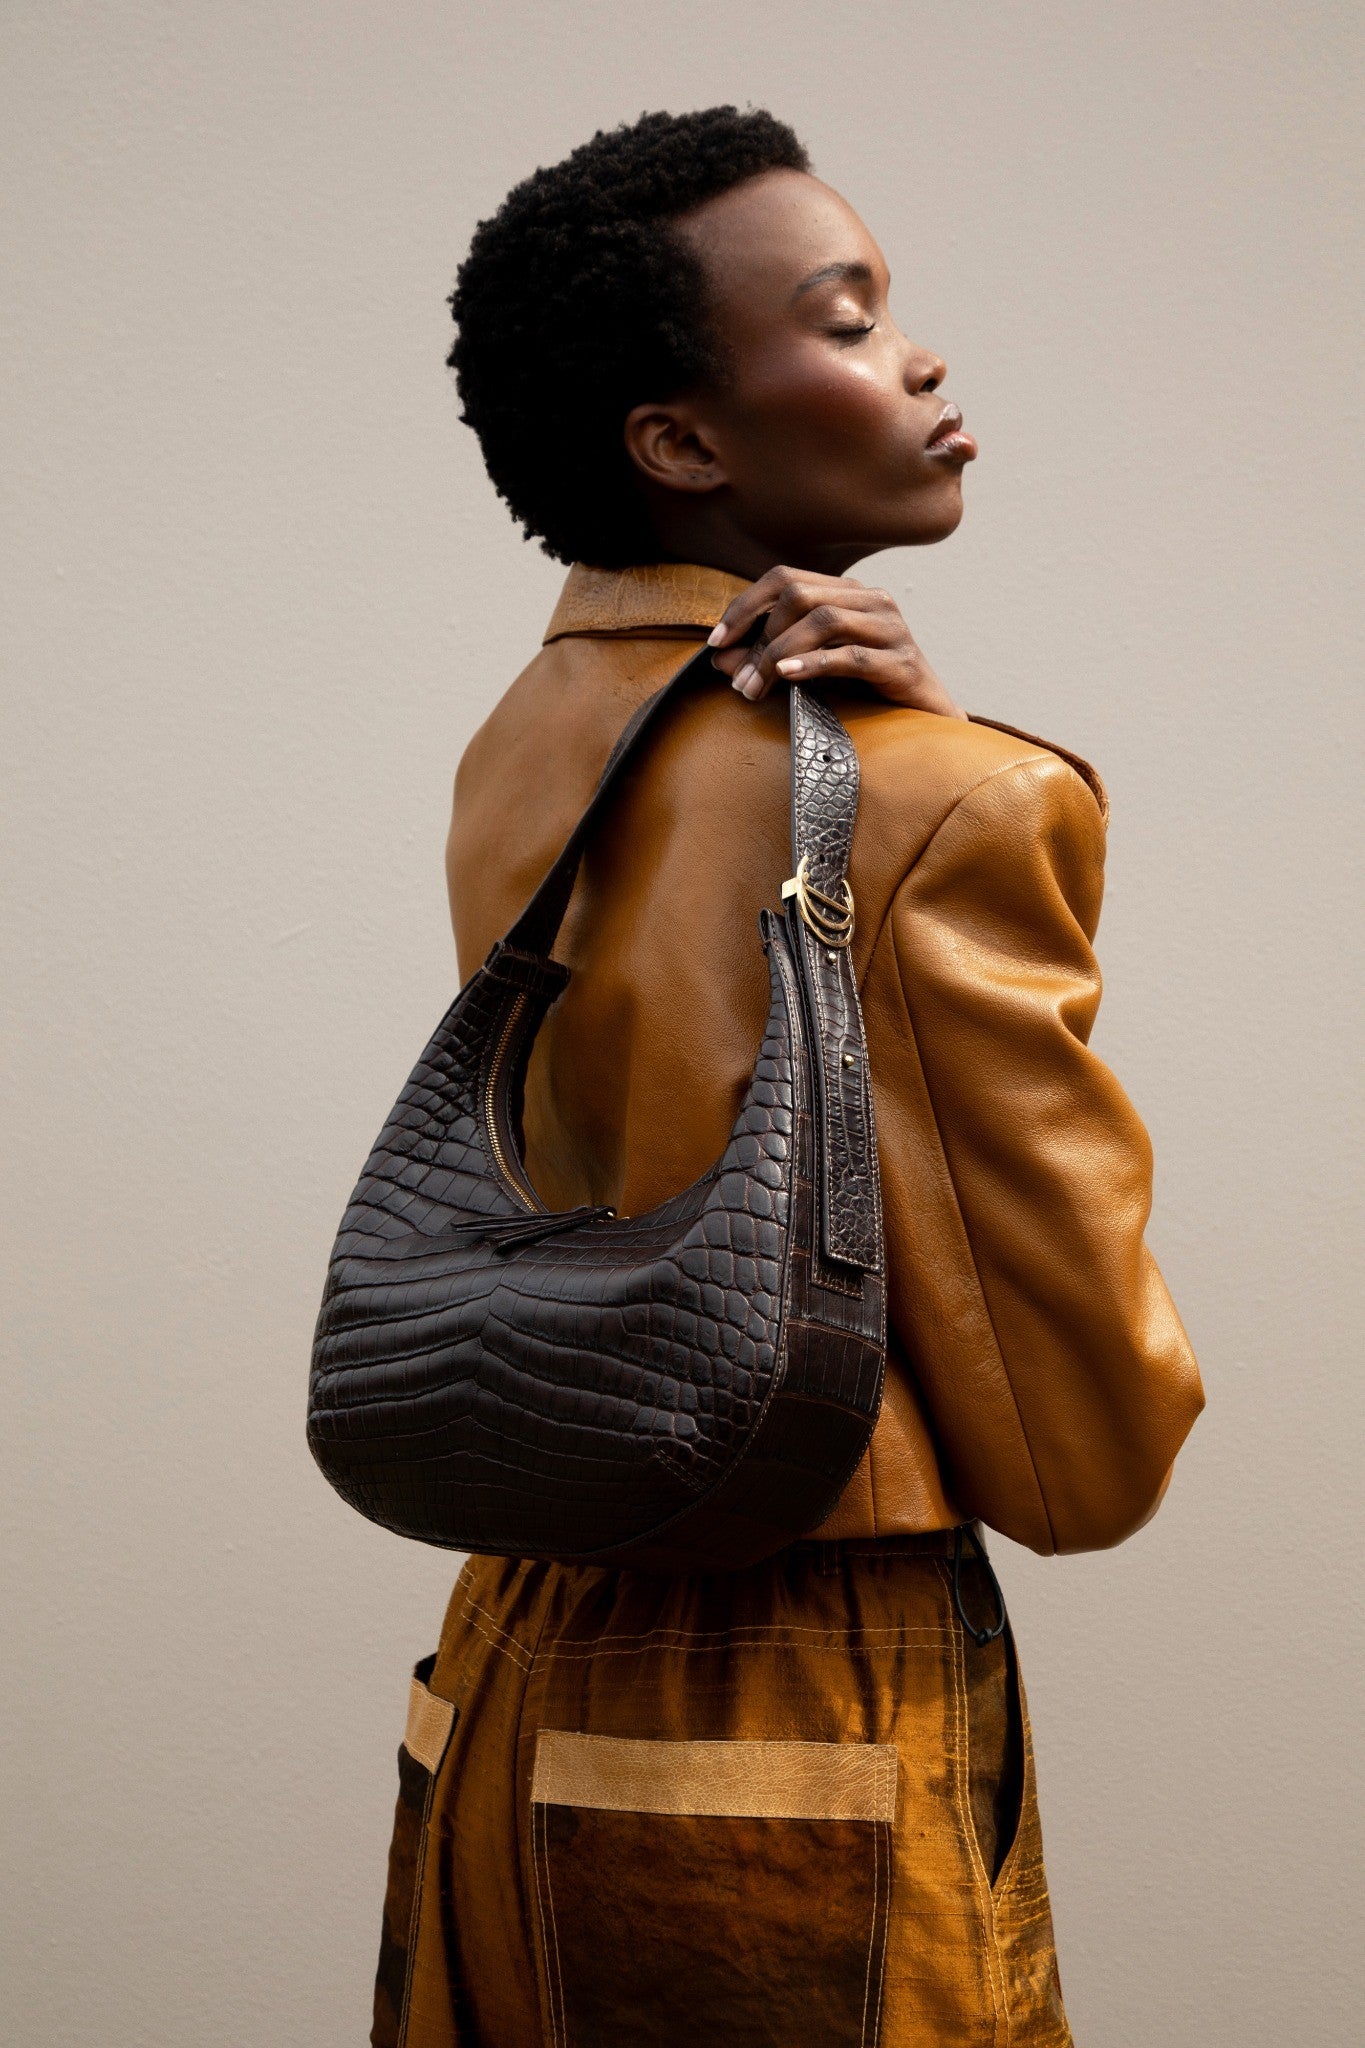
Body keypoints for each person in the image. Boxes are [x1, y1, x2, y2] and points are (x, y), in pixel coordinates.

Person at [369, 107, 1204, 2048]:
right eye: (843, 318)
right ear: (680, 442)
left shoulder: (518, 746)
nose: (914, 357)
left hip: (508, 1650)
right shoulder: (951, 802)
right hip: (791, 1716)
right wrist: (976, 773)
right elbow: (1080, 1458)